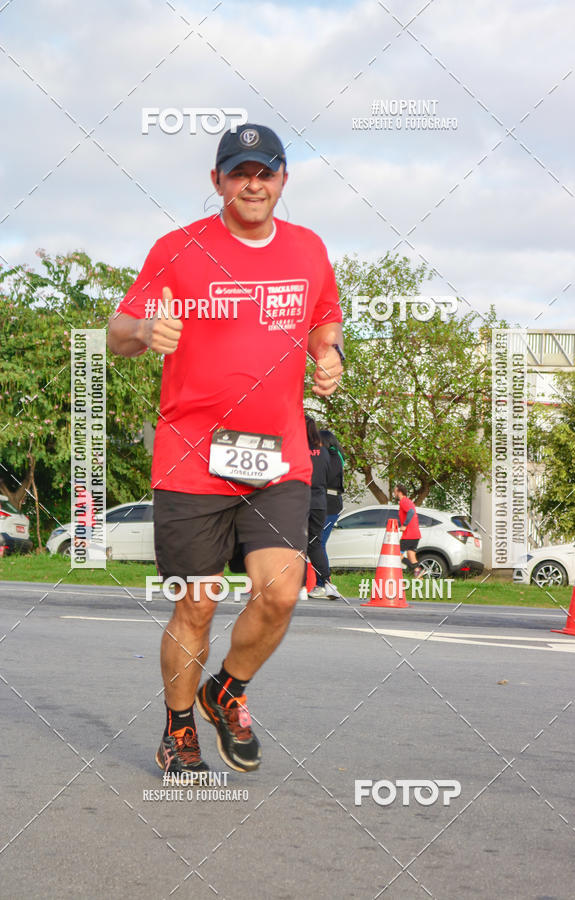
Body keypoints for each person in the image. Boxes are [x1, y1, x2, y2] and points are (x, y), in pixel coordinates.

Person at [107, 123, 344, 778]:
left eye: (265, 172)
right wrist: (144, 329)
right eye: (239, 172)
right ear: (217, 181)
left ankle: (227, 689)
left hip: (278, 457)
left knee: (282, 592)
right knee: (198, 600)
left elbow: (325, 315)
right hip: (190, 454)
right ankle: (179, 728)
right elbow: (117, 330)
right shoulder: (176, 249)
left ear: (283, 181)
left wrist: (330, 353)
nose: (253, 184)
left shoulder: (308, 250)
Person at [305, 415, 332, 599]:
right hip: (320, 503)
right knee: (315, 544)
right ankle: (328, 583)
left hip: (300, 500)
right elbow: (328, 476)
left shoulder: (297, 449)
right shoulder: (323, 452)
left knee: (294, 545)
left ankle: (297, 587)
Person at [315, 429, 344, 599]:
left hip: (326, 502)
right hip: (333, 502)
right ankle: (323, 584)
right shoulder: (338, 456)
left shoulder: (328, 457)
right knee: (318, 543)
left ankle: (324, 584)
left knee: (318, 544)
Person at [393, 484, 423, 578]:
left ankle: (417, 570)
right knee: (411, 556)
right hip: (415, 535)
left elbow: (411, 512)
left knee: (397, 555)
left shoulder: (403, 501)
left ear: (399, 492)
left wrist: (404, 525)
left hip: (409, 535)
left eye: (395, 491)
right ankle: (419, 577)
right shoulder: (408, 501)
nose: (394, 493)